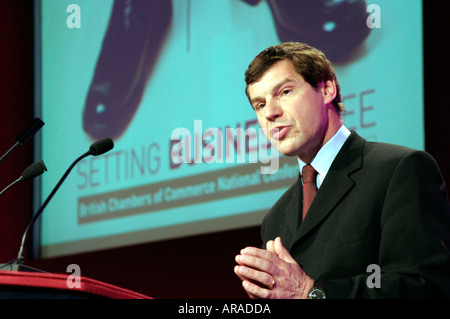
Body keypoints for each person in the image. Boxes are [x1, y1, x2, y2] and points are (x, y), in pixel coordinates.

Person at [234, 42, 450, 299]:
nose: (270, 112)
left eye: (285, 91)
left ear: (326, 89)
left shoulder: (399, 170)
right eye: (259, 105)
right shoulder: (276, 219)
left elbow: (425, 288)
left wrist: (309, 292)